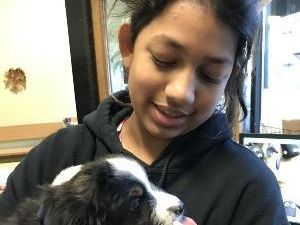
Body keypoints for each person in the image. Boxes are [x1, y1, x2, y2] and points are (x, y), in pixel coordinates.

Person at [0, 0, 289, 224]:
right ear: (128, 45)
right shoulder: (56, 155)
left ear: (230, 76)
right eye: (164, 60)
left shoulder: (250, 190)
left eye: (211, 74)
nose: (181, 92)